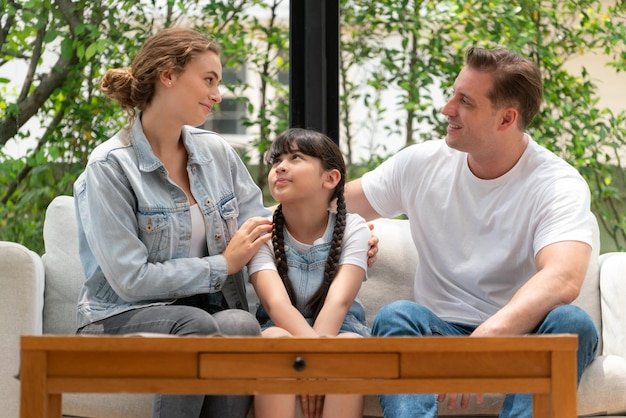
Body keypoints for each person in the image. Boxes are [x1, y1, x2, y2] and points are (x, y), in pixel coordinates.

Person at [344, 46, 599, 417]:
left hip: (521, 338)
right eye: (453, 95)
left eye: (465, 101)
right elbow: (326, 208)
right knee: (396, 314)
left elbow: (563, 277)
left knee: (573, 323)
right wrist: (247, 223)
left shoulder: (556, 183)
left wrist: (486, 341)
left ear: (506, 118)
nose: (447, 109)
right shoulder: (422, 163)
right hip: (439, 332)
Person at [73, 27, 275, 418]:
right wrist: (224, 265)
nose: (217, 94)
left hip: (204, 311)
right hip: (118, 317)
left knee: (239, 324)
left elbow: (260, 226)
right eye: (208, 80)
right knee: (196, 324)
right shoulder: (110, 166)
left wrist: (333, 236)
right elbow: (130, 280)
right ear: (167, 75)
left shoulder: (217, 152)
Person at [248, 128, 371, 418]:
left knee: (350, 347)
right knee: (273, 342)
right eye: (275, 160)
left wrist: (316, 360)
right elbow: (275, 304)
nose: (280, 165)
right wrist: (311, 360)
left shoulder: (354, 228)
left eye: (296, 157)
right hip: (280, 327)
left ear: (330, 178)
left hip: (340, 328)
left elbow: (338, 302)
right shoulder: (260, 231)